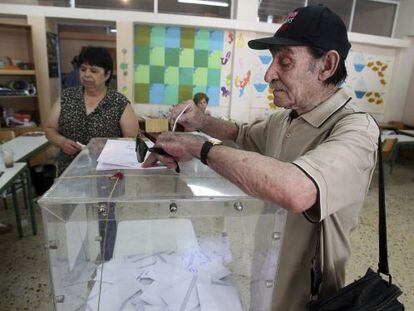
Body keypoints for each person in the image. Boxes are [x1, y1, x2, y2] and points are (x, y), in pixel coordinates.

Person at [143, 5, 379, 310]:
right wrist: (201, 122)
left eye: (285, 62)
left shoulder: (356, 130)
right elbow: (241, 134)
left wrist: (197, 148)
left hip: (306, 296)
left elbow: (298, 190)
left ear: (326, 66)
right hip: (264, 273)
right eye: (272, 61)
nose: (269, 74)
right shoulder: (286, 118)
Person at [45, 46, 138, 175]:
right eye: (83, 69)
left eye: (94, 71)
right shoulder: (67, 97)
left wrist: (108, 145)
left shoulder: (118, 102)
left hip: (107, 170)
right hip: (70, 170)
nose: (86, 74)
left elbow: (131, 138)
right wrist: (62, 142)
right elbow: (49, 129)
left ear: (107, 74)